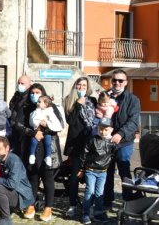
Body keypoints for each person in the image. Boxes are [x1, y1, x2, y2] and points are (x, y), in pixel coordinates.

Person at [12, 83, 63, 222]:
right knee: (32, 177)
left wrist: (45, 130)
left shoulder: (52, 108)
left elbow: (60, 125)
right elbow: (17, 124)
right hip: (31, 146)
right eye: (33, 92)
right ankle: (31, 204)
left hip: (48, 147)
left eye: (38, 92)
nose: (35, 95)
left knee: (48, 178)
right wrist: (32, 133)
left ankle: (48, 207)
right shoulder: (25, 106)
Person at [103, 69, 141, 208]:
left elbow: (133, 121)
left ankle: (128, 201)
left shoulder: (133, 99)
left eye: (120, 80)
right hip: (106, 141)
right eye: (114, 80)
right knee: (107, 171)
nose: (117, 83)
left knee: (124, 171)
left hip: (124, 141)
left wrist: (121, 134)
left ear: (126, 82)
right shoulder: (105, 96)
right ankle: (106, 200)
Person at [61, 76, 96, 219]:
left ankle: (90, 206)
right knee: (75, 177)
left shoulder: (92, 101)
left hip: (91, 143)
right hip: (76, 144)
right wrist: (77, 105)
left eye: (84, 85)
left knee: (91, 177)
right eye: (79, 85)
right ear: (75, 86)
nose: (81, 88)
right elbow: (71, 121)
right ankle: (73, 205)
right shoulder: (69, 100)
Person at [78, 118, 116, 225]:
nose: (103, 132)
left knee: (100, 193)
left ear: (111, 129)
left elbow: (113, 155)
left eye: (106, 129)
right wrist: (81, 169)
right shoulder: (92, 139)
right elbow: (84, 154)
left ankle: (98, 213)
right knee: (90, 191)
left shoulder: (112, 143)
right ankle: (85, 213)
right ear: (97, 128)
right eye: (100, 129)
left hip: (103, 172)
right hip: (91, 170)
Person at [0, 136, 33, 225]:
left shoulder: (14, 161)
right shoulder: (0, 159)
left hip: (22, 195)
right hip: (12, 191)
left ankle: (6, 219)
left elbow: (12, 184)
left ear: (7, 148)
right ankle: (5, 212)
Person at [28, 95, 63, 166]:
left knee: (48, 142)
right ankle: (32, 155)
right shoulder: (36, 111)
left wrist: (47, 124)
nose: (37, 103)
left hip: (47, 131)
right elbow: (33, 120)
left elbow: (54, 122)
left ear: (46, 104)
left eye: (39, 102)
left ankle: (48, 156)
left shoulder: (50, 111)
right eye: (38, 101)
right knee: (33, 141)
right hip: (38, 131)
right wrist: (38, 121)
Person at [8, 75, 32, 156]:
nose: (20, 85)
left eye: (22, 83)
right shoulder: (17, 95)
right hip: (14, 130)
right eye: (18, 83)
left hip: (24, 131)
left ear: (29, 84)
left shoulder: (30, 96)